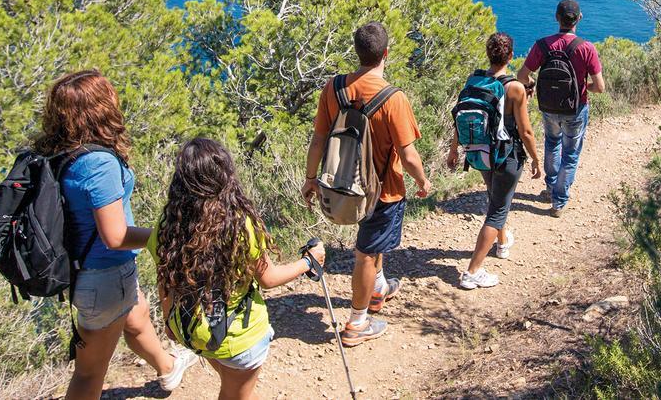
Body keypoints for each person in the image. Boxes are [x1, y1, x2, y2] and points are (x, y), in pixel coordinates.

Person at [33, 70, 197, 400]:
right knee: (89, 373)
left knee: (136, 316)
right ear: (100, 107)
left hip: (91, 272)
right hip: (105, 274)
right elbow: (115, 235)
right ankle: (166, 366)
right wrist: (159, 236)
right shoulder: (98, 163)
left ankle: (167, 367)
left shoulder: (64, 152)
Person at [149, 138, 327, 400]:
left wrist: (169, 323)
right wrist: (308, 262)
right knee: (235, 393)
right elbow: (268, 279)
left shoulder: (168, 228)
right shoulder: (240, 226)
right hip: (240, 338)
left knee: (237, 386)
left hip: (194, 330)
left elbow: (166, 280)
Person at [302, 22, 431, 347]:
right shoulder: (393, 99)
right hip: (383, 191)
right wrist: (422, 179)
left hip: (340, 184)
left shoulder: (334, 88)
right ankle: (357, 324)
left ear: (357, 52)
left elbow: (318, 139)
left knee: (374, 248)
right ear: (386, 54)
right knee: (365, 254)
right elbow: (408, 154)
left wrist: (310, 178)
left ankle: (378, 289)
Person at [447, 32, 541, 289]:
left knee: (495, 197)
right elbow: (526, 131)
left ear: (489, 54)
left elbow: (459, 115)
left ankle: (501, 244)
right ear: (511, 56)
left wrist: (454, 150)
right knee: (498, 209)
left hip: (479, 152)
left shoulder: (474, 81)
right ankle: (472, 272)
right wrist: (535, 159)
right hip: (507, 156)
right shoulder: (515, 88)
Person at [517, 0, 606, 217]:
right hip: (575, 109)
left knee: (552, 143)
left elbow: (521, 76)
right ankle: (559, 201)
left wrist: (531, 85)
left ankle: (550, 188)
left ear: (557, 18)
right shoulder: (586, 48)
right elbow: (600, 87)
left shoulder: (542, 45)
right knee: (571, 152)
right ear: (580, 18)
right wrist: (583, 87)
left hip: (548, 106)